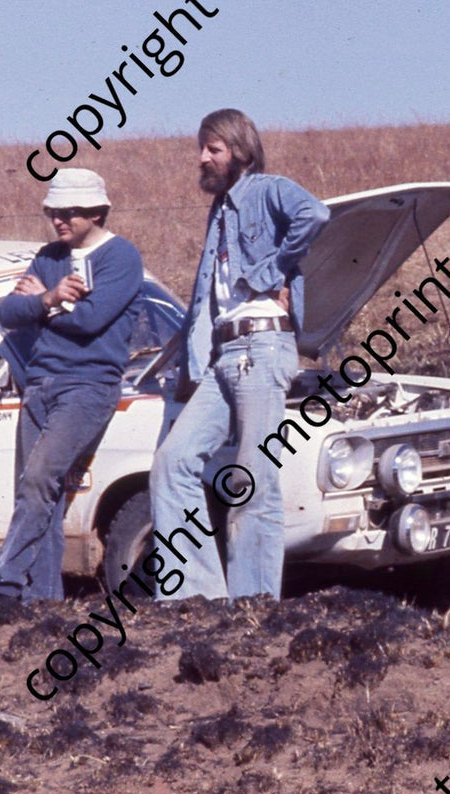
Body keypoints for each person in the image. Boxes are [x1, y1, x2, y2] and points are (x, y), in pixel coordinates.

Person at [150, 109, 329, 599]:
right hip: (224, 355)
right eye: (202, 148)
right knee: (173, 462)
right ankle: (197, 598)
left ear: (240, 151)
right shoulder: (220, 209)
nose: (202, 157)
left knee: (253, 480)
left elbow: (315, 213)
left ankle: (254, 606)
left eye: (214, 148)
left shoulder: (267, 189)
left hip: (262, 346)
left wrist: (271, 270)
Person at [0, 168, 144, 601]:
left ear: (96, 212)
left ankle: (3, 585)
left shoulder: (121, 257)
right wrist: (52, 299)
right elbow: (10, 312)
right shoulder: (49, 255)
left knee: (39, 481)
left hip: (88, 386)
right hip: (40, 383)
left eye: (70, 212)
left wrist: (45, 304)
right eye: (54, 211)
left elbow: (93, 321)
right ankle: (43, 602)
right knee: (42, 495)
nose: (59, 220)